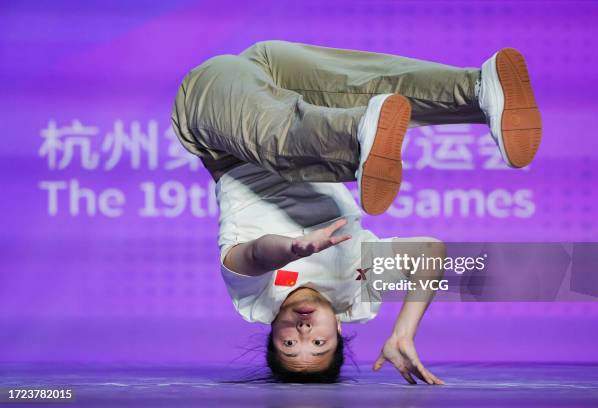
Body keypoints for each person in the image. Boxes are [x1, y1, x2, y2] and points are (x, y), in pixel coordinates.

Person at [171, 40, 541, 384]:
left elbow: (252, 253)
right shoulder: (356, 292)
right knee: (366, 83)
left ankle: (354, 135)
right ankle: (478, 89)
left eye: (289, 346)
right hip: (275, 76)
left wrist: (293, 249)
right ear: (339, 331)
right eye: (319, 345)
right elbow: (429, 252)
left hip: (217, 126)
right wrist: (403, 332)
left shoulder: (257, 301)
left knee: (277, 139)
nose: (304, 334)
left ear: (272, 333)